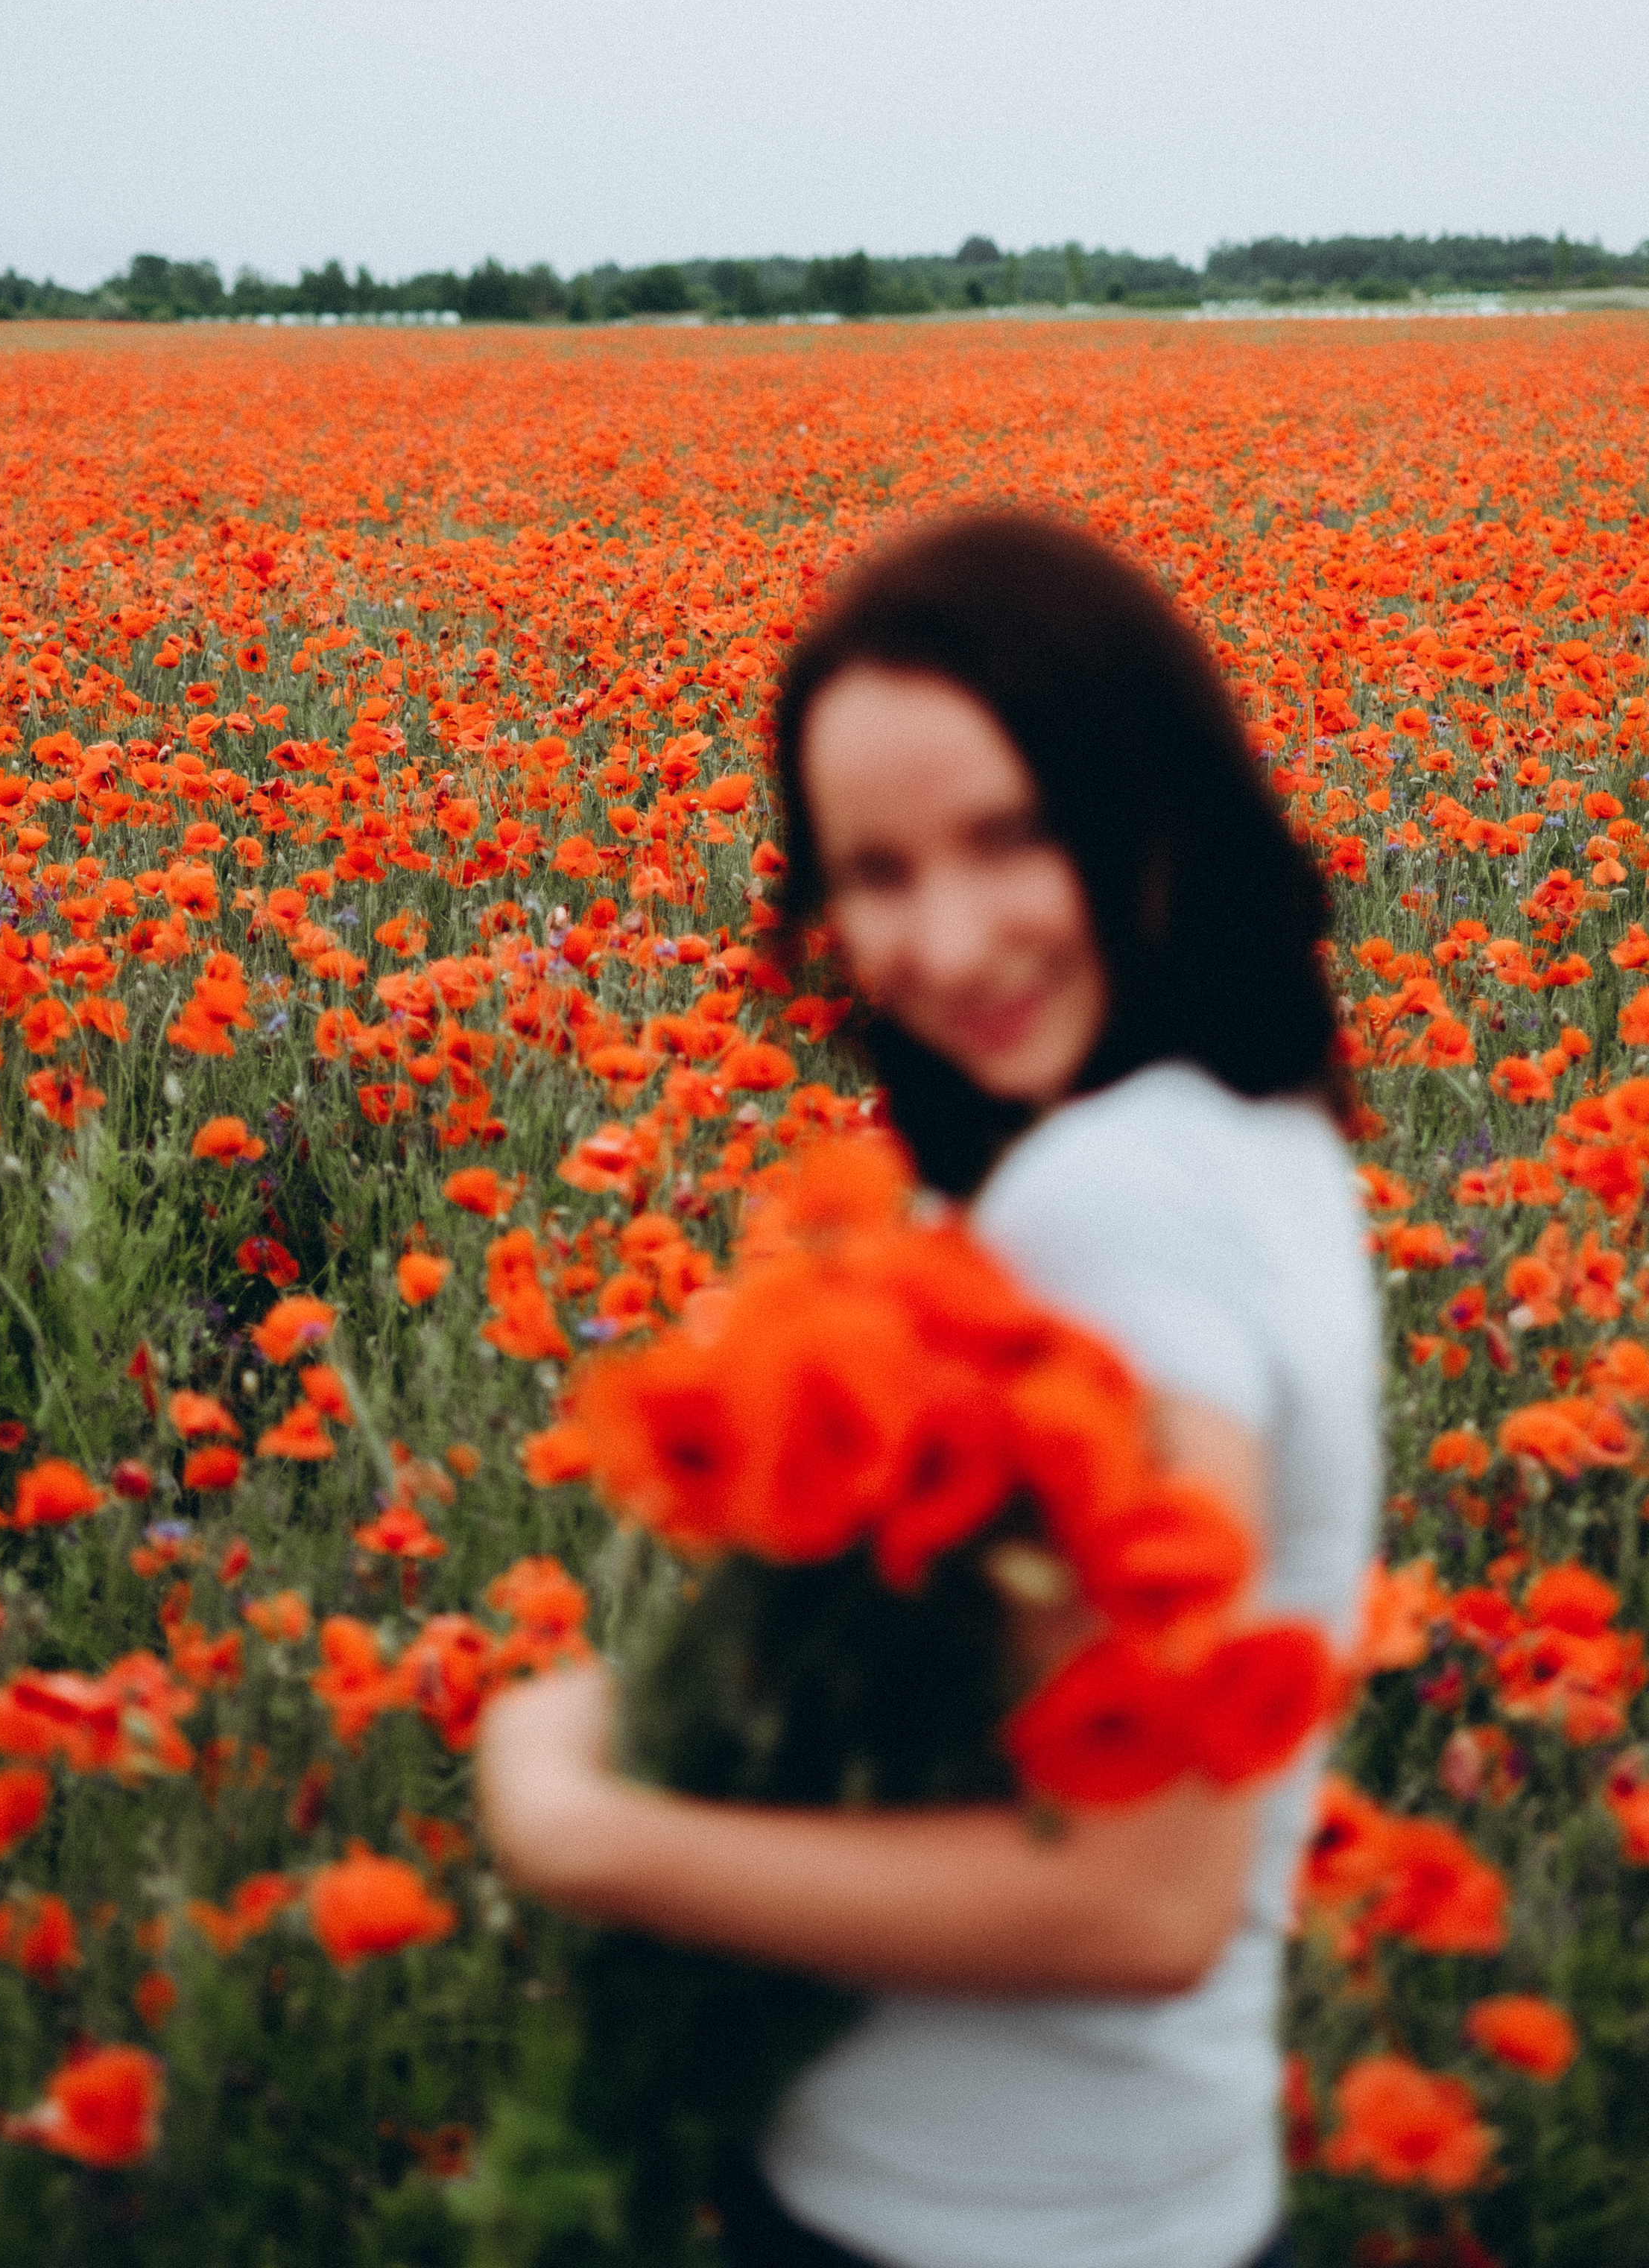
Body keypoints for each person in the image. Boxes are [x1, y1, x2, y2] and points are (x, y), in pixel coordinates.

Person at [478, 507, 1379, 2268]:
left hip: (971, 2219)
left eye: (1008, 837)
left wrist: (593, 1831)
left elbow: (1137, 1897)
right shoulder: (1257, 1133)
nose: (946, 940)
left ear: (1143, 807)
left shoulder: (1112, 1205)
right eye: (875, 874)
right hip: (1113, 2192)